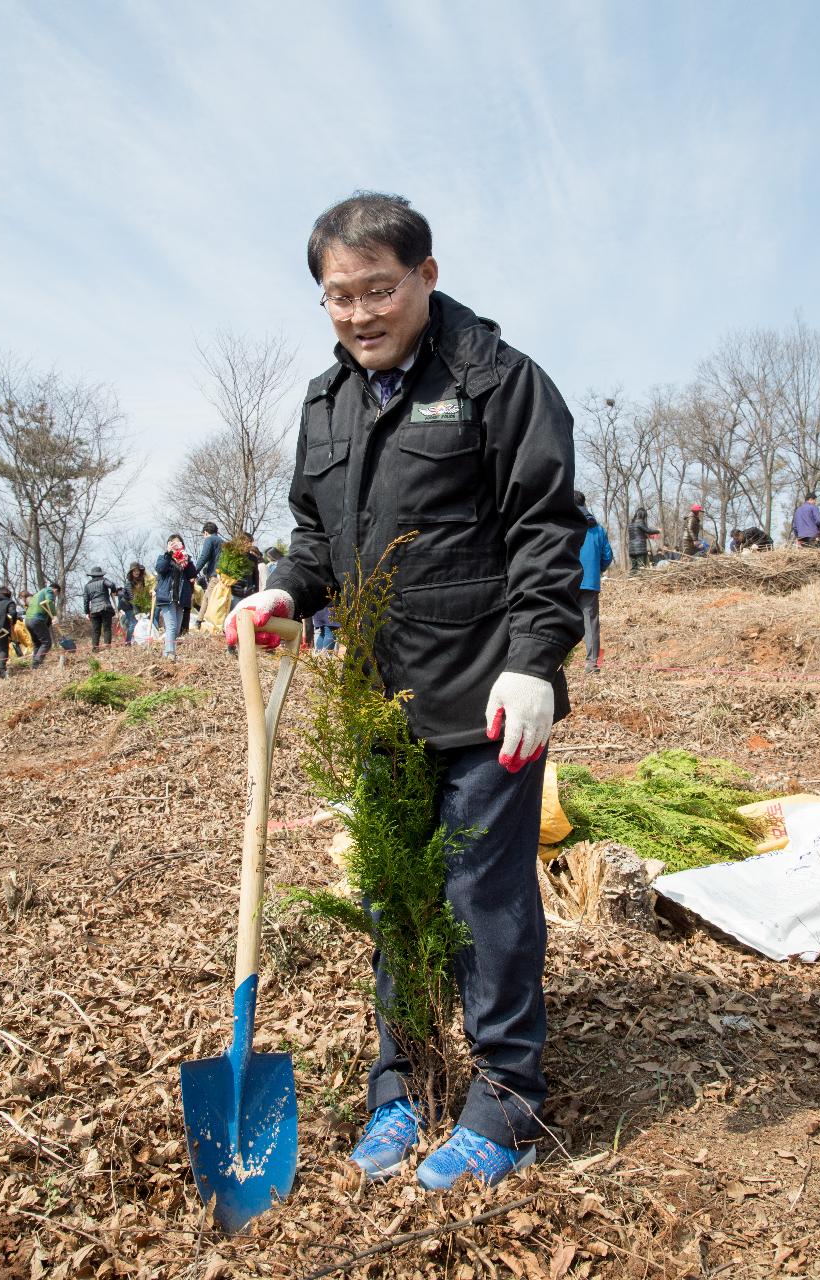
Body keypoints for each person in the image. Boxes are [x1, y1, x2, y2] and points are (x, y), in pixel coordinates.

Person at [225, 191, 585, 1191]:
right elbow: (314, 544)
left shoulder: (499, 382)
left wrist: (536, 660)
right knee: (393, 892)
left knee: (482, 897)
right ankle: (401, 1079)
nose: (358, 313)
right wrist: (286, 596)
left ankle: (505, 1100)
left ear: (427, 275)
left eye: (378, 288)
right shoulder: (322, 404)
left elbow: (547, 530)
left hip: (485, 694)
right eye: (337, 297)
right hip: (376, 702)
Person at [575, 492, 613, 673]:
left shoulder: (566, 525)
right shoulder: (599, 529)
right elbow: (607, 556)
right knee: (590, 623)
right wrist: (597, 570)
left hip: (566, 581)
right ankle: (592, 664)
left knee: (559, 619)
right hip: (590, 581)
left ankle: (559, 663)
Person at [154, 535, 197, 661]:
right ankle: (170, 653)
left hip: (180, 598)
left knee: (177, 628)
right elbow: (160, 569)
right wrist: (168, 554)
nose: (176, 545)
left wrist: (187, 560)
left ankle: (167, 653)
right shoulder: (164, 558)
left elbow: (192, 574)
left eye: (178, 543)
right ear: (168, 545)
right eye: (173, 543)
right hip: (167, 597)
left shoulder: (185, 560)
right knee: (172, 626)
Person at [25, 582, 61, 668]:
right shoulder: (49, 590)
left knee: (37, 643)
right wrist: (55, 615)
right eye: (56, 595)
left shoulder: (37, 594)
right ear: (55, 590)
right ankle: (37, 662)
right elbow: (49, 602)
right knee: (47, 642)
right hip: (37, 619)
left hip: (27, 620)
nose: (54, 597)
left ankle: (34, 665)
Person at [82, 566, 118, 650]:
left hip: (94, 610)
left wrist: (87, 612)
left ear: (92, 576)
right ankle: (107, 647)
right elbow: (112, 585)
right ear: (101, 574)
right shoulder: (104, 580)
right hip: (105, 607)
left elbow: (85, 600)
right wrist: (113, 591)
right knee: (107, 628)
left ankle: (95, 648)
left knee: (95, 630)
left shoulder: (87, 586)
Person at [118, 562, 147, 645]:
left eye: (137, 570)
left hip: (136, 604)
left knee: (137, 623)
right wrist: (137, 611)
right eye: (134, 571)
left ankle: (137, 640)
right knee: (133, 623)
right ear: (131, 572)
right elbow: (132, 597)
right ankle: (128, 642)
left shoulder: (141, 581)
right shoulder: (129, 583)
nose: (136, 572)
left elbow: (142, 595)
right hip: (127, 605)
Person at [627, 507, 659, 573]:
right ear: (643, 515)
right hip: (640, 550)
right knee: (641, 568)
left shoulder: (630, 524)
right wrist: (657, 531)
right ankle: (639, 581)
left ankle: (631, 580)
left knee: (634, 568)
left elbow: (636, 535)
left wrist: (645, 536)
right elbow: (648, 530)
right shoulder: (640, 522)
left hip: (631, 550)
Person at [196, 522, 224, 587]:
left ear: (205, 532)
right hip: (222, 576)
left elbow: (204, 557)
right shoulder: (222, 541)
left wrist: (193, 572)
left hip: (214, 577)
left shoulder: (209, 539)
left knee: (209, 597)